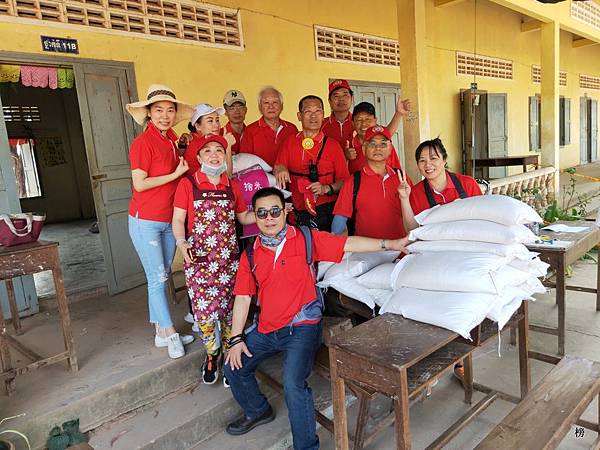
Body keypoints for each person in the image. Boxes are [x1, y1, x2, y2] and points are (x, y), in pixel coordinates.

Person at [223, 187, 409, 450]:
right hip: (268, 328)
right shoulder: (251, 253)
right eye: (262, 213)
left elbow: (348, 243)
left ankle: (307, 446)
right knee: (232, 366)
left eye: (275, 211)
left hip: (302, 327)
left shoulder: (306, 238)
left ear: (285, 211)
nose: (269, 218)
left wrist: (389, 244)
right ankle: (258, 410)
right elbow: (242, 297)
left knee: (292, 383)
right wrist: (236, 338)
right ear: (255, 216)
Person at [398, 136, 482, 385]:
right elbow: (412, 230)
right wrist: (404, 199)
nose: (428, 164)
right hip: (433, 256)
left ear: (445, 160)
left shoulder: (466, 185)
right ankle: (431, 359)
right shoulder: (415, 192)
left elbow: (481, 219)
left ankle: (459, 359)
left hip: (464, 253)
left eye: (433, 158)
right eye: (422, 160)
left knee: (461, 304)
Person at [172, 134, 256, 385]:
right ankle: (212, 353)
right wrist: (181, 242)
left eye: (219, 150)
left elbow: (242, 218)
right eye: (207, 151)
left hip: (229, 261)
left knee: (230, 312)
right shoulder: (188, 184)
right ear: (198, 158)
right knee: (205, 314)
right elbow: (178, 219)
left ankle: (232, 354)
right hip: (199, 261)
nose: (213, 155)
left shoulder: (232, 186)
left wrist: (269, 215)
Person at [125, 84, 196, 359]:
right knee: (156, 279)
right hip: (146, 222)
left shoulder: (171, 138)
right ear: (148, 114)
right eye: (158, 111)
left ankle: (159, 333)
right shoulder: (142, 143)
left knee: (162, 276)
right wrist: (174, 175)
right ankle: (169, 332)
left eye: (169, 111)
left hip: (168, 220)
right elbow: (139, 184)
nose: (165, 116)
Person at [273, 95, 349, 231]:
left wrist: (326, 188)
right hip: (297, 211)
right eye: (308, 111)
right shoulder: (290, 142)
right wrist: (280, 168)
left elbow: (345, 181)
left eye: (318, 111)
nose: (313, 116)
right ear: (299, 116)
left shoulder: (333, 145)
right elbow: (278, 166)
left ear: (323, 115)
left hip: (325, 211)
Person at [332, 125, 412, 238]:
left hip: (400, 250)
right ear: (364, 149)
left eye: (383, 144)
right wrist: (336, 244)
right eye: (372, 144)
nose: (378, 148)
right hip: (366, 252)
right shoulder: (354, 181)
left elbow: (416, 213)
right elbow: (340, 218)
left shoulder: (402, 178)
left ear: (390, 149)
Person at [347, 99, 411, 174]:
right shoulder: (349, 147)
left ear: (375, 120)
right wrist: (346, 157)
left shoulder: (385, 146)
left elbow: (397, 173)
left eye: (368, 119)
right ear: (353, 123)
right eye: (359, 120)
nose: (364, 124)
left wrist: (399, 114)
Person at [239, 86, 298, 166]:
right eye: (266, 103)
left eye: (275, 102)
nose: (271, 106)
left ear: (282, 106)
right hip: (260, 177)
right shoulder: (250, 131)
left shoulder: (291, 129)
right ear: (260, 107)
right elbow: (244, 163)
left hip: (288, 177)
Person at [183, 104, 235, 175]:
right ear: (198, 126)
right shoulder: (196, 146)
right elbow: (227, 176)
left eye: (217, 120)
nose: (216, 125)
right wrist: (228, 146)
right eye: (210, 121)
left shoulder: (213, 140)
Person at [321, 79, 354, 147]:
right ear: (329, 101)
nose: (341, 99)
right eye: (336, 96)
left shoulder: (360, 124)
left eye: (345, 95)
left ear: (352, 98)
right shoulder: (321, 125)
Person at [221, 89, 247, 155]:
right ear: (225, 112)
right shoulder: (219, 135)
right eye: (232, 108)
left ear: (245, 110)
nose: (237, 112)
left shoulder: (252, 132)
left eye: (240, 107)